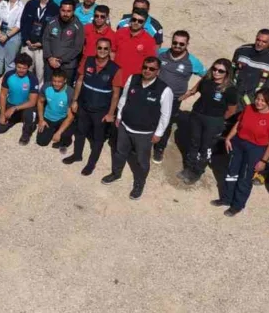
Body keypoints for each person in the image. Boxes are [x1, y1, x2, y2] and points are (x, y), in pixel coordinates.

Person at [102, 56, 173, 200]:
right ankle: (116, 174)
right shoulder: (132, 79)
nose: (147, 71)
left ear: (158, 72)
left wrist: (158, 134)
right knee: (120, 152)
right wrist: (120, 116)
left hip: (145, 133)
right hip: (125, 126)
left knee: (142, 160)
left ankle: (139, 184)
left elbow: (166, 115)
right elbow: (124, 98)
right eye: (145, 67)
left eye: (152, 69)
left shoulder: (165, 90)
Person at [214, 89, 269, 215]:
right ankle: (226, 198)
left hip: (255, 149)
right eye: (257, 99)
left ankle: (237, 205)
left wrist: (263, 160)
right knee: (231, 172)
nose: (259, 102)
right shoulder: (249, 108)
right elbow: (239, 123)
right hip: (239, 143)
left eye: (263, 101)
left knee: (245, 177)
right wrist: (229, 137)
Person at [65, 38, 122, 175]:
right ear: (96, 48)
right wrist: (75, 100)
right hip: (84, 106)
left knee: (98, 139)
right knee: (79, 132)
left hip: (101, 112)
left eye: (105, 48)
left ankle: (91, 164)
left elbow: (116, 95)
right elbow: (79, 81)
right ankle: (77, 155)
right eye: (100, 48)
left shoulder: (115, 69)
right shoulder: (88, 61)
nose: (102, 51)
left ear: (109, 51)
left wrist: (110, 114)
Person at [178, 58, 239, 184]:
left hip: (213, 121)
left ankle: (197, 172)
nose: (216, 72)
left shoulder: (230, 89)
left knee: (206, 148)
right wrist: (182, 97)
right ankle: (189, 167)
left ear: (227, 73)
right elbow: (194, 89)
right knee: (194, 142)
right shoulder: (206, 80)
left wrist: (218, 120)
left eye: (221, 71)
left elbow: (231, 110)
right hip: (197, 115)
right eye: (214, 69)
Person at [154, 30, 207, 163]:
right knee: (149, 118)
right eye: (175, 42)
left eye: (181, 44)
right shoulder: (161, 53)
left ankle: (159, 148)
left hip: (174, 99)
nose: (177, 46)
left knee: (166, 123)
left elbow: (206, 76)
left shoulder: (192, 61)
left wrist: (191, 92)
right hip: (155, 94)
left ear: (187, 44)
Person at [232, 28, 269, 109]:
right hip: (234, 94)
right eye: (258, 40)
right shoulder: (241, 50)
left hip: (254, 101)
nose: (260, 43)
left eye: (264, 42)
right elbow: (232, 70)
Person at [20, 0, 59, 84]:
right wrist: (26, 39)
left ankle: (37, 97)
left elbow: (54, 30)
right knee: (25, 70)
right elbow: (23, 23)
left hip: (42, 48)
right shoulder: (31, 4)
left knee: (40, 74)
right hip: (27, 45)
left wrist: (41, 43)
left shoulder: (55, 8)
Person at [0, 53, 39, 138]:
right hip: (11, 103)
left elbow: (32, 102)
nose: (21, 70)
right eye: (19, 67)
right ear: (15, 65)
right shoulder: (8, 75)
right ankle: (16, 119)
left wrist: (14, 108)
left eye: (24, 68)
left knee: (30, 115)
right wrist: (2, 114)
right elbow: (3, 95)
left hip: (25, 106)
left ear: (28, 67)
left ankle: (26, 133)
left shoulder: (32, 78)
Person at [42, 0, 85, 83]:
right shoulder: (52, 21)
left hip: (67, 66)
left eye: (69, 11)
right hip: (50, 63)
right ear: (59, 10)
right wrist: (50, 58)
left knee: (65, 90)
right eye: (63, 10)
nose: (65, 14)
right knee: (48, 87)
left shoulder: (78, 26)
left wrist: (61, 60)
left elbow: (78, 48)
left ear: (73, 11)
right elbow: (46, 40)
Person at [112, 10, 158, 79]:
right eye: (134, 19)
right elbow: (112, 52)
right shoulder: (120, 32)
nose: (136, 22)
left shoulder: (150, 41)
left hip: (134, 81)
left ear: (144, 23)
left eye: (140, 21)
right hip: (115, 77)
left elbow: (150, 63)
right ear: (130, 20)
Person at [40, 70, 76, 149]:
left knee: (65, 137)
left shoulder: (70, 92)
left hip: (62, 118)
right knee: (41, 142)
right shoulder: (46, 86)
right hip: (48, 117)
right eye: (54, 81)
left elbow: (70, 116)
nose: (56, 84)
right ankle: (52, 130)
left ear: (65, 81)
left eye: (59, 82)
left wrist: (59, 133)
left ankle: (61, 134)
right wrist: (41, 120)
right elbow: (40, 102)